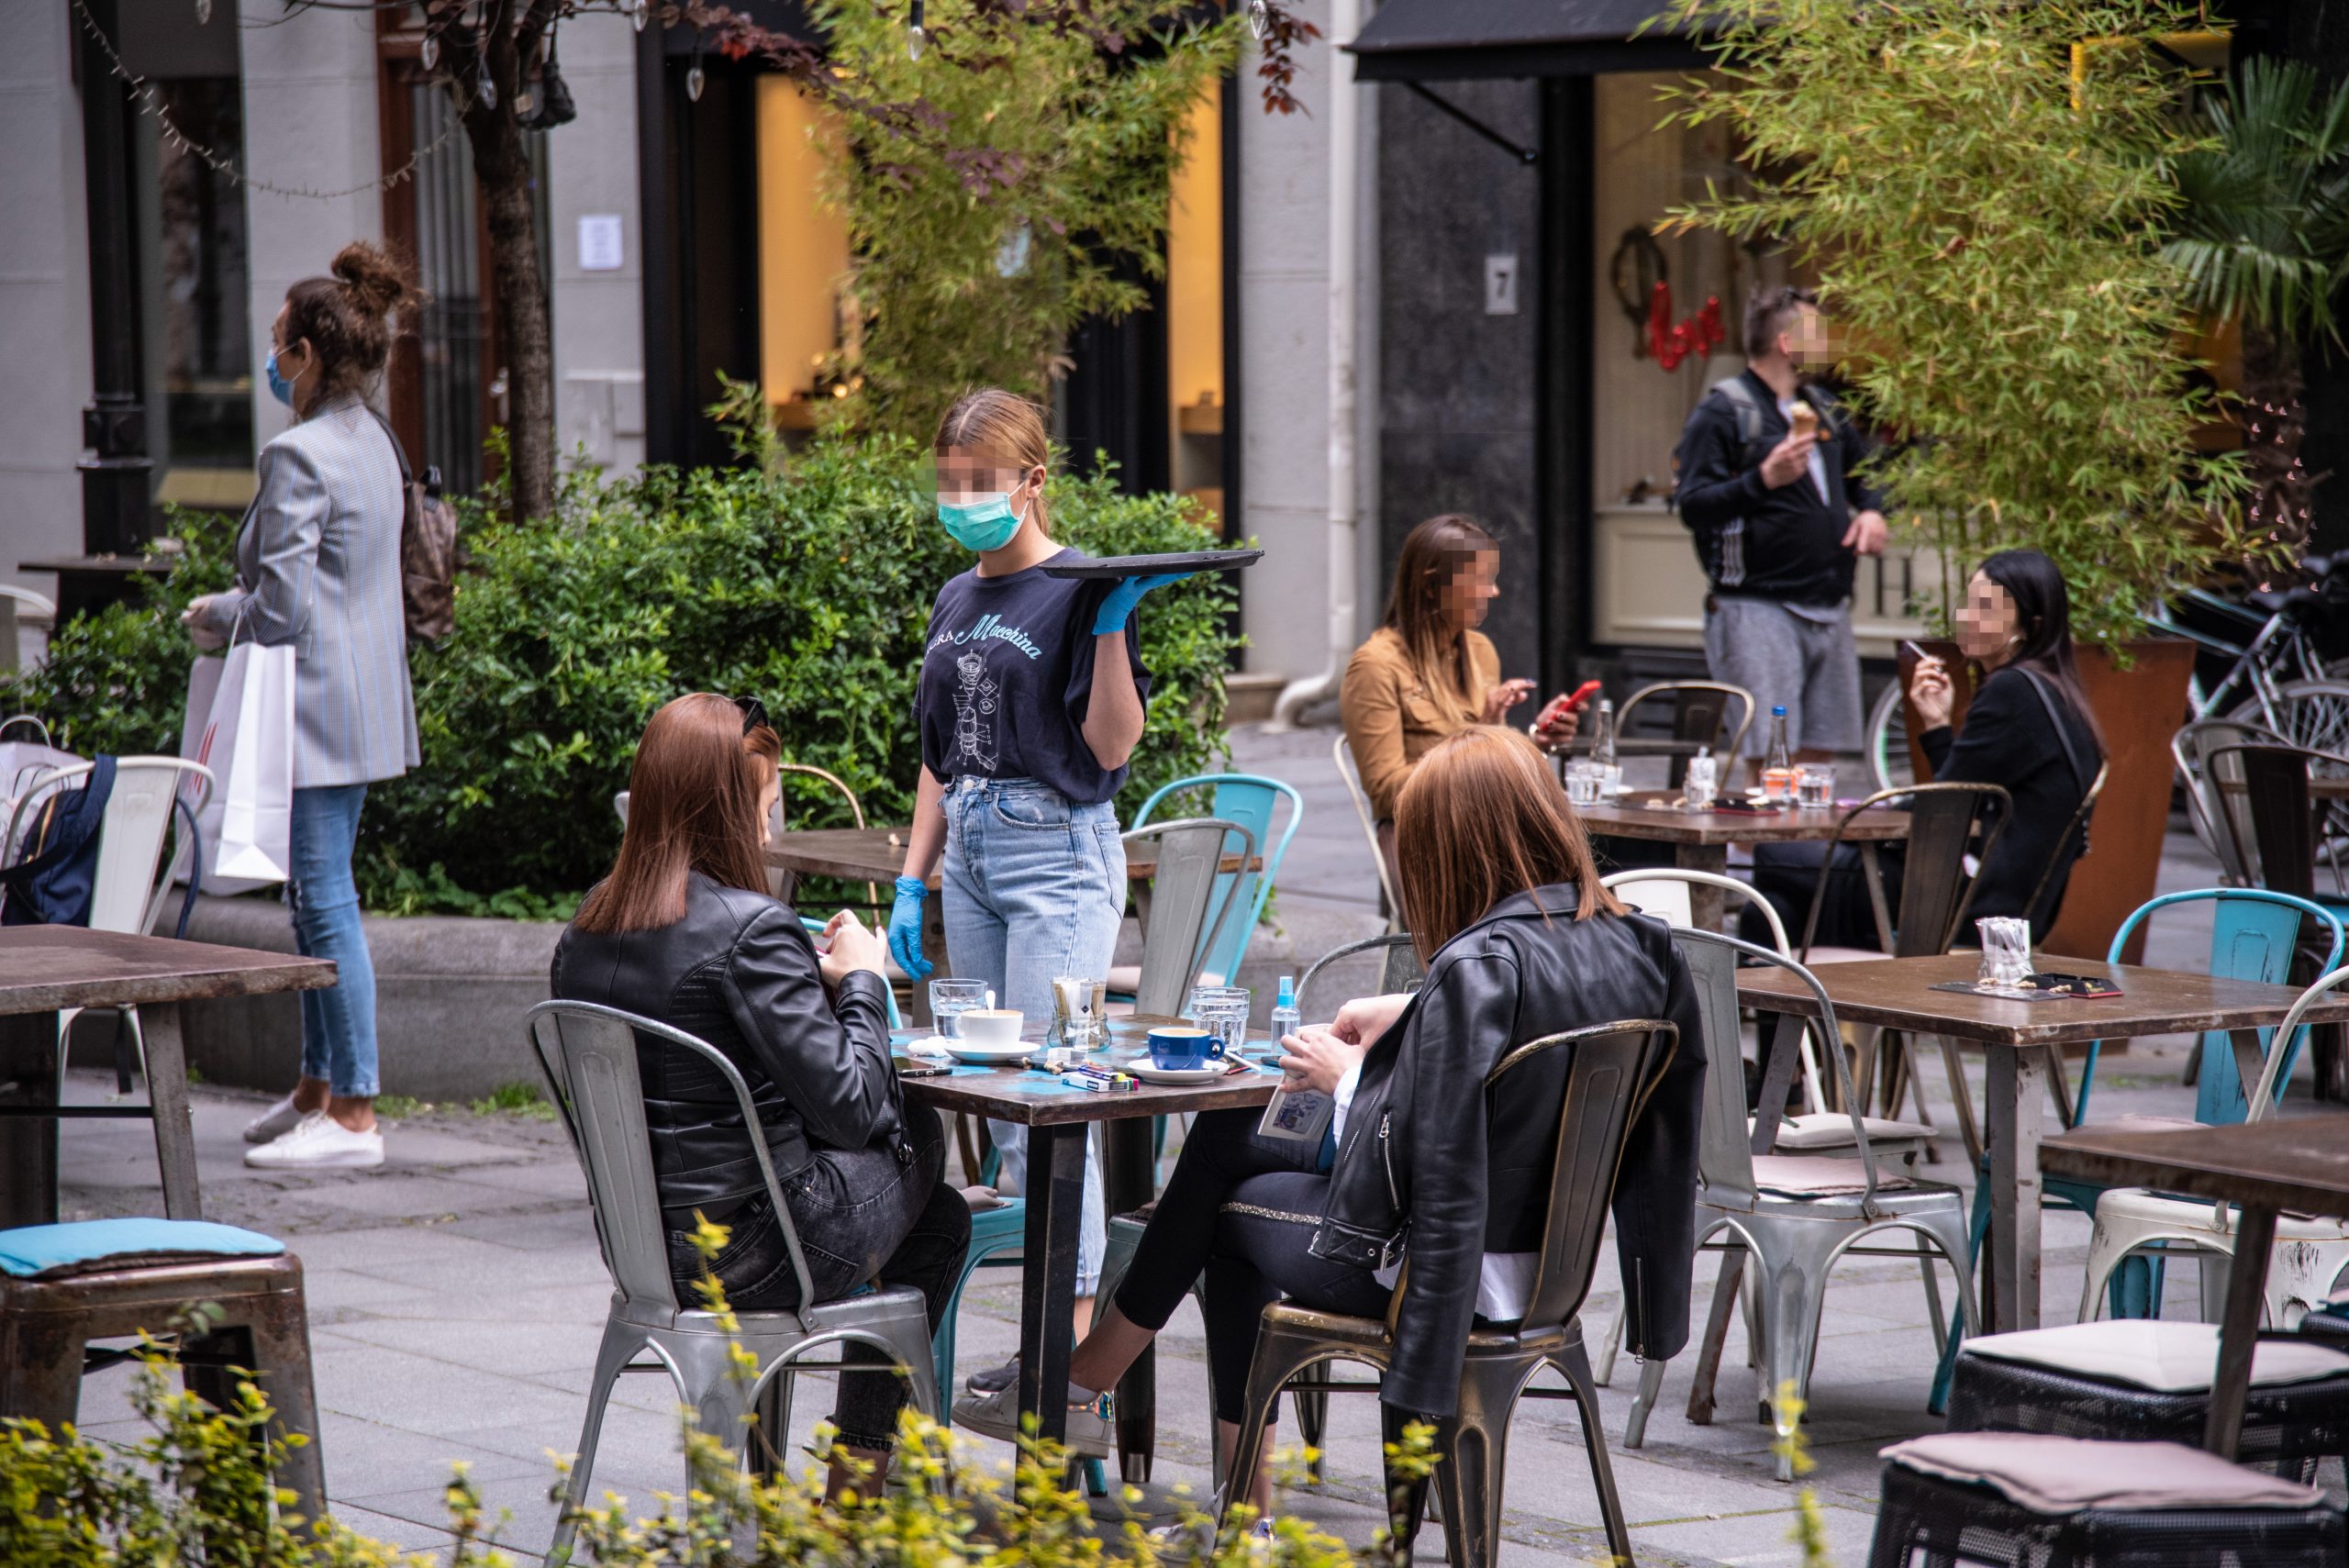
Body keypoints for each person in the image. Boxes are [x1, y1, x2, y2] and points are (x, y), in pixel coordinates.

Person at [952, 726, 1707, 1519]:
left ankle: (1176, 1457)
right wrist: (1418, 1013)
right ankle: (1141, 1427)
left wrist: (1352, 1082)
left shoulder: (1478, 966)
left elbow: (1431, 1163)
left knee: (1225, 1208)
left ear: (1456, 851)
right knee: (1230, 1140)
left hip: (1441, 1274)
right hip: (1552, 1266)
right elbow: (1633, 1100)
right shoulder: (1642, 946)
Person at [551, 693, 971, 1491]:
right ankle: (853, 1486)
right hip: (761, 1253)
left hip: (647, 1252)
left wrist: (808, 980)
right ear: (722, 811)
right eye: (765, 808)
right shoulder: (752, 928)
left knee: (941, 1218)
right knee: (916, 1121)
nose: (772, 832)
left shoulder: (586, 930)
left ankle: (846, 1480)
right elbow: (855, 1110)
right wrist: (864, 982)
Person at [886, 388, 1184, 1368]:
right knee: (993, 1094)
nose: (963, 497)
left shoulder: (1080, 588)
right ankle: (1051, 1350)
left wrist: (1108, 627)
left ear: (1032, 482)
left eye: (981, 481)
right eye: (949, 482)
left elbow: (1109, 748)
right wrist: (914, 879)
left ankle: (1064, 1368)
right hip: (968, 849)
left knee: (1052, 1097)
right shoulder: (954, 596)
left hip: (1057, 852)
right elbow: (938, 755)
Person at [184, 241, 422, 1171]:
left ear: (311, 355)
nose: (272, 356)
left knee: (323, 904)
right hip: (364, 702)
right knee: (321, 898)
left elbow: (280, 606)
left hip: (317, 706)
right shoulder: (376, 440)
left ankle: (354, 1111)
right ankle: (319, 1089)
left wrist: (217, 612)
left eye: (279, 341)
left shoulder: (296, 454)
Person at [1746, 549, 2103, 950]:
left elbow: (1940, 807)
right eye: (1968, 602)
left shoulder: (2013, 691)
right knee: (1773, 908)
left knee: (1774, 854)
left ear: (2030, 625)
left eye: (1986, 608)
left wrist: (1868, 821)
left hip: (1971, 907)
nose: (1967, 616)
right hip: (2002, 903)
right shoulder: (2056, 693)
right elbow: (1960, 793)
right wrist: (1936, 724)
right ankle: (1805, 1005)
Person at [1675, 286, 1889, 774]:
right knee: (1771, 755)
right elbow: (1692, 505)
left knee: (1820, 752)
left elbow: (1871, 476)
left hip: (1829, 605)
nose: (1832, 340)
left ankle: (1807, 853)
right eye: (1819, 330)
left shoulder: (1826, 409)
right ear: (1787, 343)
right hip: (1756, 607)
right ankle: (1763, 851)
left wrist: (1874, 512)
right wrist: (1762, 480)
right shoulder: (1724, 412)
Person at [1341, 515, 1582, 897]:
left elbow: (1490, 766)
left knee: (1578, 873)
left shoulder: (1481, 651)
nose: (1494, 591)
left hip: (1490, 825)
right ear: (1432, 586)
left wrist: (1536, 738)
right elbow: (1387, 793)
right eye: (1481, 580)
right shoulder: (1376, 665)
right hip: (1424, 838)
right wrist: (1475, 739)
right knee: (1540, 895)